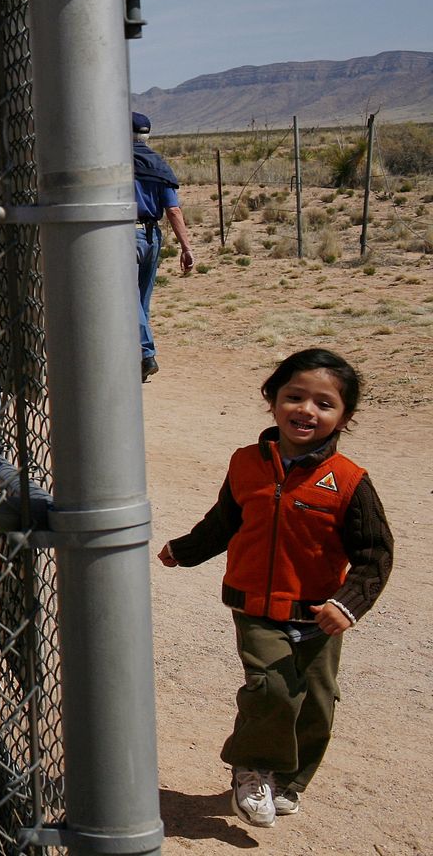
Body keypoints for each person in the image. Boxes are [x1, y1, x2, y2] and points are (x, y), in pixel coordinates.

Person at [157, 348, 392, 830]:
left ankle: (291, 782)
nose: (307, 410)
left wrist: (347, 606)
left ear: (345, 416)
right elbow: (225, 521)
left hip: (318, 614)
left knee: (317, 704)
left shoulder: (349, 482)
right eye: (295, 396)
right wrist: (184, 550)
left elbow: (375, 554)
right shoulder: (246, 463)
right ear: (272, 399)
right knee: (274, 689)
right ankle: (253, 768)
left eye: (325, 404)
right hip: (255, 605)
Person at [133, 112, 193, 381]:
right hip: (151, 237)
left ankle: (145, 355)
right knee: (141, 300)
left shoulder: (117, 164)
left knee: (127, 299)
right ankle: (138, 360)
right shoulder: (158, 164)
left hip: (123, 235)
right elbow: (173, 210)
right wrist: (186, 247)